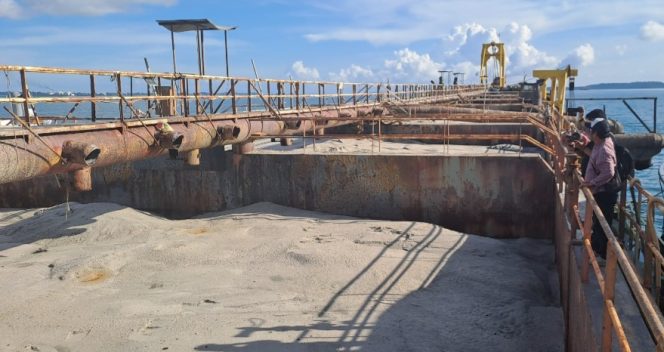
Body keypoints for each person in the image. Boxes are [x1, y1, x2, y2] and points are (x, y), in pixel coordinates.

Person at [581, 118, 618, 259]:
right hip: (601, 192)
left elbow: (609, 172)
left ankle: (602, 253)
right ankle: (598, 250)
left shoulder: (604, 149)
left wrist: (593, 183)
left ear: (596, 133)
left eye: (591, 131)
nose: (589, 133)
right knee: (599, 222)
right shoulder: (601, 142)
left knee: (602, 224)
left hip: (604, 194)